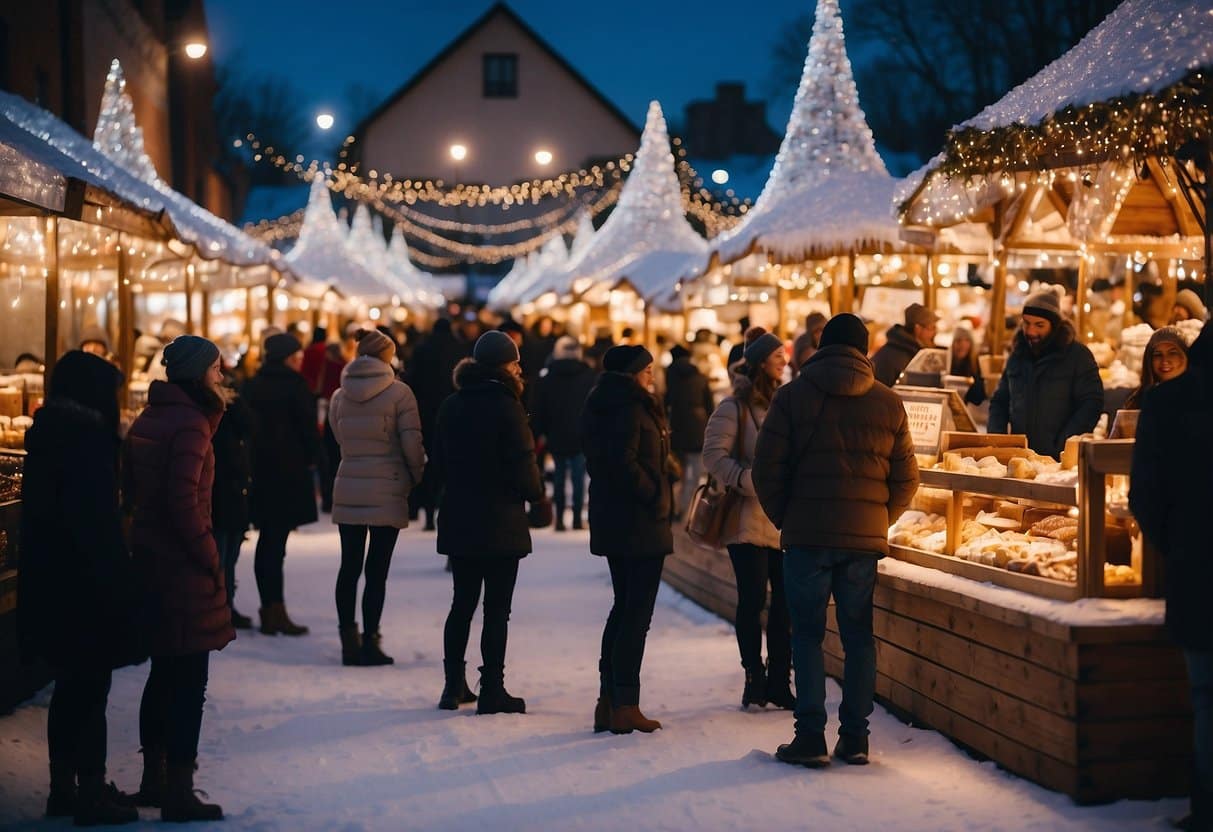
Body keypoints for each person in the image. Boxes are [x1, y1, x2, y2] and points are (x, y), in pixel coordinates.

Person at [752, 313, 918, 768]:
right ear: (864, 350)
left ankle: (810, 737)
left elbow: (765, 469)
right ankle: (856, 738)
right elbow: (907, 478)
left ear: (823, 345)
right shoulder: (889, 402)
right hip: (862, 543)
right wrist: (879, 520)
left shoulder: (790, 397)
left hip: (806, 537)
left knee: (806, 635)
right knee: (858, 636)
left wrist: (788, 518)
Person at [17, 351, 143, 825]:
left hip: (53, 580)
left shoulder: (51, 434)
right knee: (90, 689)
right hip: (84, 584)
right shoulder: (86, 442)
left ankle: (62, 788)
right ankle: (90, 792)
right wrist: (118, 582)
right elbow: (95, 527)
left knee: (71, 687)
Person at [124, 335, 234, 821]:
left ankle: (155, 780)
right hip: (183, 568)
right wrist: (210, 556)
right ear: (197, 373)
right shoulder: (191, 424)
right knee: (188, 680)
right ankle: (178, 792)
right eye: (216, 369)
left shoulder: (155, 415)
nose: (222, 377)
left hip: (151, 561)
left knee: (164, 673)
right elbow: (184, 502)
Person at [1130, 322, 1213, 832]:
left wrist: (1179, 545)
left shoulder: (1167, 404)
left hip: (1197, 569)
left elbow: (1145, 498)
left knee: (1206, 694)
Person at [434, 331, 544, 713]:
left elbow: (440, 464)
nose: (520, 368)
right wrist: (536, 495)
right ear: (505, 366)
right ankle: (492, 688)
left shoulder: (452, 404)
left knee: (461, 603)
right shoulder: (508, 406)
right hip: (500, 519)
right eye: (515, 362)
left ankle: (453, 685)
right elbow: (523, 463)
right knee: (497, 608)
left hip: (460, 515)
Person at [581, 345, 675, 735]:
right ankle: (625, 703)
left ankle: (609, 700)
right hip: (638, 522)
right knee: (636, 614)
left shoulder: (605, 401)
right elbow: (623, 461)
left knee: (624, 609)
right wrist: (654, 490)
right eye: (647, 369)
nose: (652, 374)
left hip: (617, 520)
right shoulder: (630, 406)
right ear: (632, 373)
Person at [702, 330, 794, 711]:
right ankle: (753, 674)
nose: (784, 361)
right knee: (753, 599)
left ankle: (778, 678)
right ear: (759, 362)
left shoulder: (789, 403)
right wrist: (744, 479)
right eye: (777, 356)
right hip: (748, 521)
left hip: (785, 522)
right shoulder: (734, 407)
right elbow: (713, 455)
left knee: (786, 604)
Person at [328, 329, 425, 667]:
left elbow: (338, 437)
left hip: (350, 482)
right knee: (377, 570)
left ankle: (347, 639)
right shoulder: (400, 393)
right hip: (387, 483)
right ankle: (371, 639)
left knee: (349, 566)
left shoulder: (340, 395)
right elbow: (411, 442)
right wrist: (416, 475)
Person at [241, 332, 319, 636]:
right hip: (288, 472)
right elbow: (307, 428)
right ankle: (275, 611)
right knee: (277, 544)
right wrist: (315, 458)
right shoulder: (295, 385)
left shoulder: (253, 384)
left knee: (268, 543)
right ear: (288, 357)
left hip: (261, 471)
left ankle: (270, 608)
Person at [988, 290, 1104, 458]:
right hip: (1021, 458)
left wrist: (1065, 445)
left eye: (1039, 325)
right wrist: (997, 441)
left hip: (1059, 460)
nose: (1031, 331)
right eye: (1026, 323)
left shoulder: (1077, 356)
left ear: (1054, 325)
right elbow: (1000, 401)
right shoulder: (1018, 355)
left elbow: (1091, 403)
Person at [406, 318, 469, 530]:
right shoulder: (459, 348)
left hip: (426, 413)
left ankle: (428, 512)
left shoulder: (422, 349)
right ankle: (447, 510)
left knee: (428, 463)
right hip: (455, 413)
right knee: (450, 462)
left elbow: (411, 379)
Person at [532, 335, 596, 531]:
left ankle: (559, 518)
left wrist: (540, 432)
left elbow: (539, 408)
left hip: (556, 433)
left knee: (559, 476)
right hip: (580, 433)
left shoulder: (547, 378)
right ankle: (577, 518)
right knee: (578, 477)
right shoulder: (588, 376)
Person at [211, 362, 255, 630]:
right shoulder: (203, 408)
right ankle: (220, 608)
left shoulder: (233, 405)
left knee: (230, 553)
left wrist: (234, 402)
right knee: (221, 553)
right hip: (221, 488)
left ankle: (226, 605)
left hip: (233, 486)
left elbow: (249, 427)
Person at [664, 342, 715, 520]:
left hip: (677, 428)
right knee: (695, 473)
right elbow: (710, 406)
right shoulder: (700, 377)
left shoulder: (670, 375)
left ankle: (674, 507)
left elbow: (665, 402)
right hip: (697, 428)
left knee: (677, 471)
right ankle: (688, 510)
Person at [871, 303, 938, 387]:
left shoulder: (906, 350)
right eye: (932, 328)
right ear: (918, 329)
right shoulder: (902, 357)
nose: (935, 333)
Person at [1124, 327, 1189, 410]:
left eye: (1172, 353)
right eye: (1158, 355)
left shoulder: (1200, 395)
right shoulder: (1138, 400)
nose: (1164, 361)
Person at [949, 326, 987, 405]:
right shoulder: (947, 364)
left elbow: (978, 398)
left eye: (967, 340)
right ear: (953, 344)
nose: (962, 345)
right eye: (958, 340)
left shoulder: (976, 365)